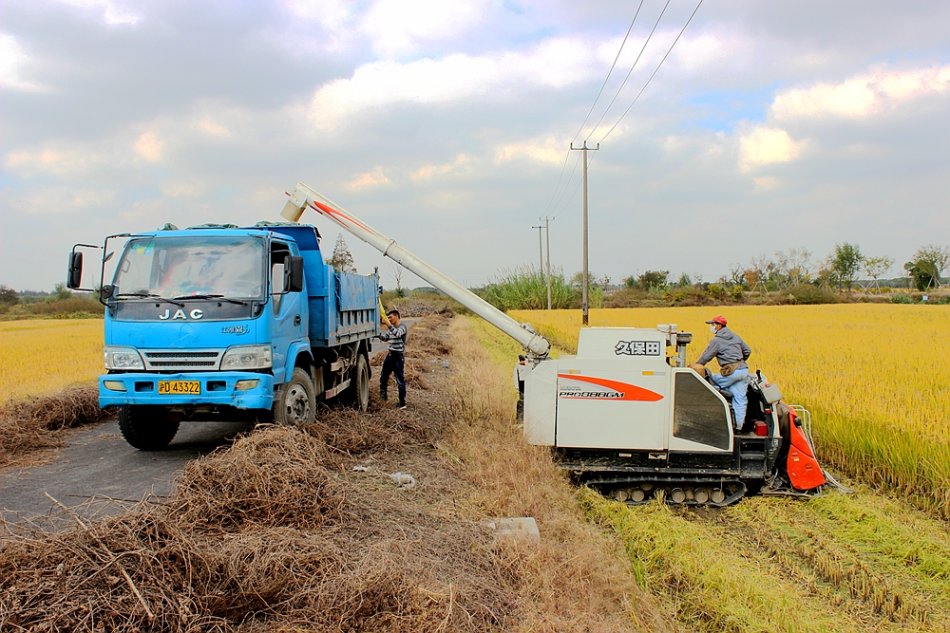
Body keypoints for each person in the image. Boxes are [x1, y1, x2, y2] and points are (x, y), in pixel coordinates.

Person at [689, 315, 752, 431]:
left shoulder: (717, 340)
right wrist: (740, 361)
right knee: (740, 399)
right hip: (743, 371)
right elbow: (748, 350)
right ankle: (738, 428)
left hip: (731, 373)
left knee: (708, 386)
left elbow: (706, 357)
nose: (711, 327)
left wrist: (696, 367)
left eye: (712, 325)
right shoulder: (736, 336)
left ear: (718, 326)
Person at [378, 308, 408, 409]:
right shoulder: (391, 329)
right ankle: (383, 399)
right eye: (388, 318)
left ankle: (402, 403)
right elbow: (386, 338)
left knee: (399, 380)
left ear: (396, 316)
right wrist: (377, 335)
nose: (389, 319)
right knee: (383, 377)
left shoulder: (402, 327)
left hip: (398, 357)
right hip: (390, 356)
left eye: (390, 317)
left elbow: (397, 333)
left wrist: (388, 324)